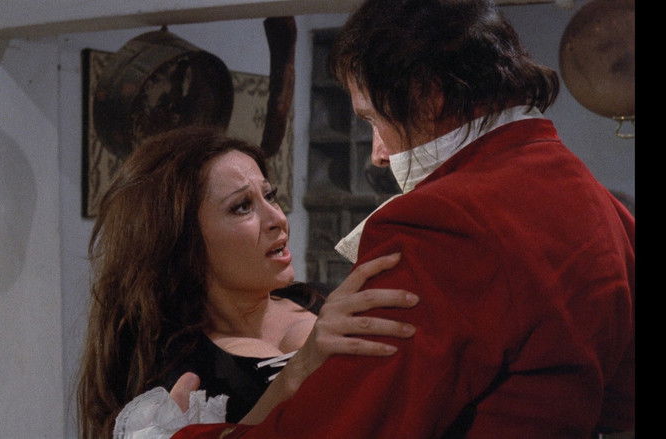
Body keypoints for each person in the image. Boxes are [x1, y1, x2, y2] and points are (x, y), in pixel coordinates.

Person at [173, 0, 635, 437]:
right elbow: (622, 401)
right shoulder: (597, 202)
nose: (377, 154)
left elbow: (345, 427)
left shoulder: (442, 225)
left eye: (374, 119)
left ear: (426, 96)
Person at [76, 125, 420, 438]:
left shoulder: (327, 300)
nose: (277, 219)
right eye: (241, 207)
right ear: (182, 241)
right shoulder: (179, 375)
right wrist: (297, 371)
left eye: (269, 196)